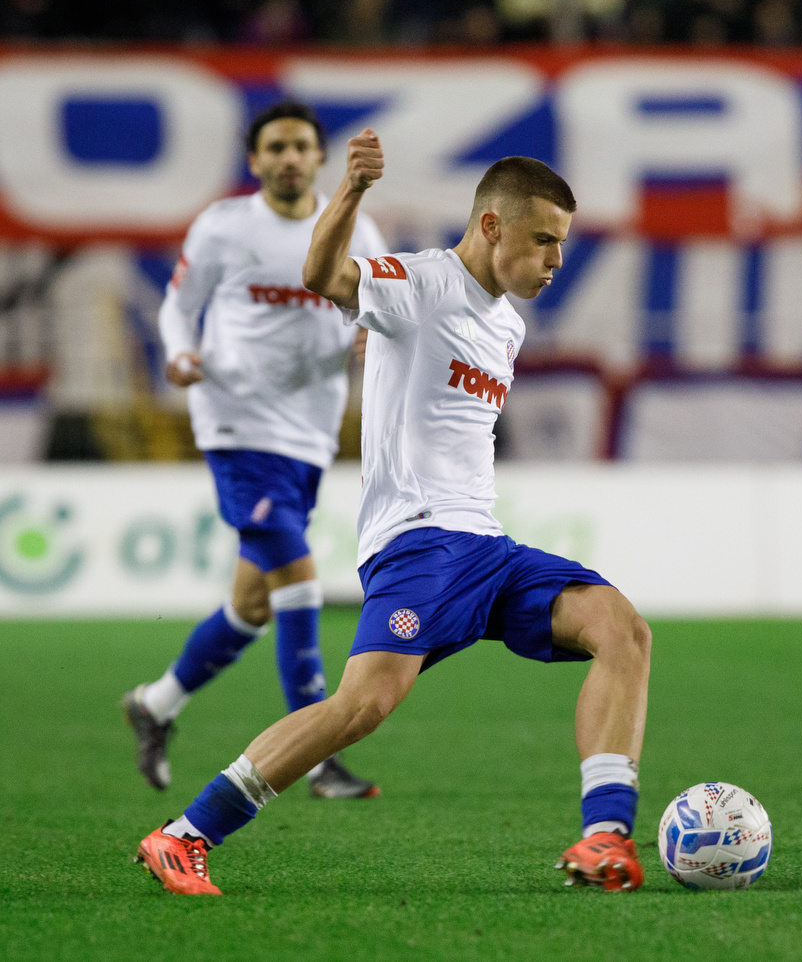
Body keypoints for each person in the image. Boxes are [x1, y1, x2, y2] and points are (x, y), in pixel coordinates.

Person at [133, 131, 654, 896]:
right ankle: (183, 835)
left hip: (485, 547)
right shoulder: (419, 282)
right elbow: (321, 274)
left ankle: (605, 840)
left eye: (562, 245)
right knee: (360, 708)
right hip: (419, 543)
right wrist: (349, 191)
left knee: (622, 628)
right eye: (543, 240)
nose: (555, 261)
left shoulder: (506, 322)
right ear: (490, 226)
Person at [123, 100, 386, 800]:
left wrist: (369, 333)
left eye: (301, 145)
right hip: (235, 422)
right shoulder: (224, 226)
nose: (289, 158)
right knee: (298, 577)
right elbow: (179, 304)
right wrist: (180, 353)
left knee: (252, 606)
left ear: (319, 157)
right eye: (276, 147)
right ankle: (318, 757)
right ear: (255, 160)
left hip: (307, 432)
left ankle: (155, 705)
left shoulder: (357, 227)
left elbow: (377, 310)